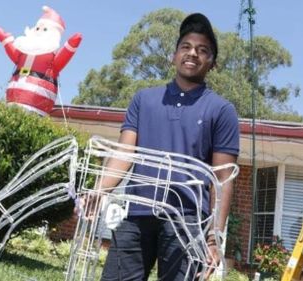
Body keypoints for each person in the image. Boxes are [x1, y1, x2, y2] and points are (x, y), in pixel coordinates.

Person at [94, 12, 240, 281]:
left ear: (212, 63)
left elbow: (222, 179)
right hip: (136, 213)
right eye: (185, 46)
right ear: (173, 56)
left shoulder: (222, 110)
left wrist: (214, 237)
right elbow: (125, 153)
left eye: (202, 50)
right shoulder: (143, 100)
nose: (192, 53)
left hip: (187, 222)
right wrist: (99, 191)